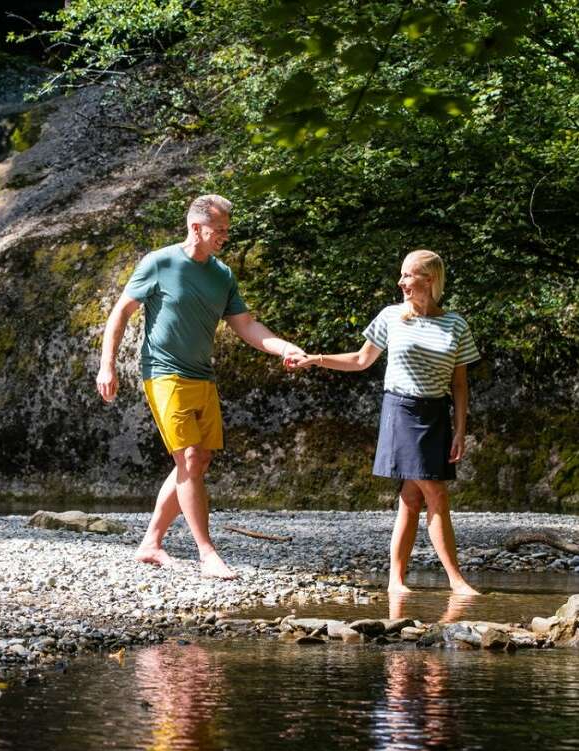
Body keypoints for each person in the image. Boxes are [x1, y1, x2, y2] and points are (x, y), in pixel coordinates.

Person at [96, 194, 305, 579]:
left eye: (227, 229)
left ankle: (150, 544)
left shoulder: (222, 274)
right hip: (163, 372)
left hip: (201, 375)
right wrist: (107, 365)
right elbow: (120, 313)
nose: (225, 236)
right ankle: (207, 553)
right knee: (189, 458)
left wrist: (283, 348)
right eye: (219, 229)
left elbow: (247, 326)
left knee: (200, 459)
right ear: (197, 227)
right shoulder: (159, 262)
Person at [291, 250, 481, 595]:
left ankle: (396, 581)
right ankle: (457, 581)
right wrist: (315, 359)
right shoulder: (392, 316)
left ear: (430, 279)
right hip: (402, 409)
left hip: (436, 413)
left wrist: (460, 429)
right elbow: (361, 360)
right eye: (402, 275)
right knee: (435, 491)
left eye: (408, 275)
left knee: (411, 496)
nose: (401, 282)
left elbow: (459, 384)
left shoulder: (456, 324)